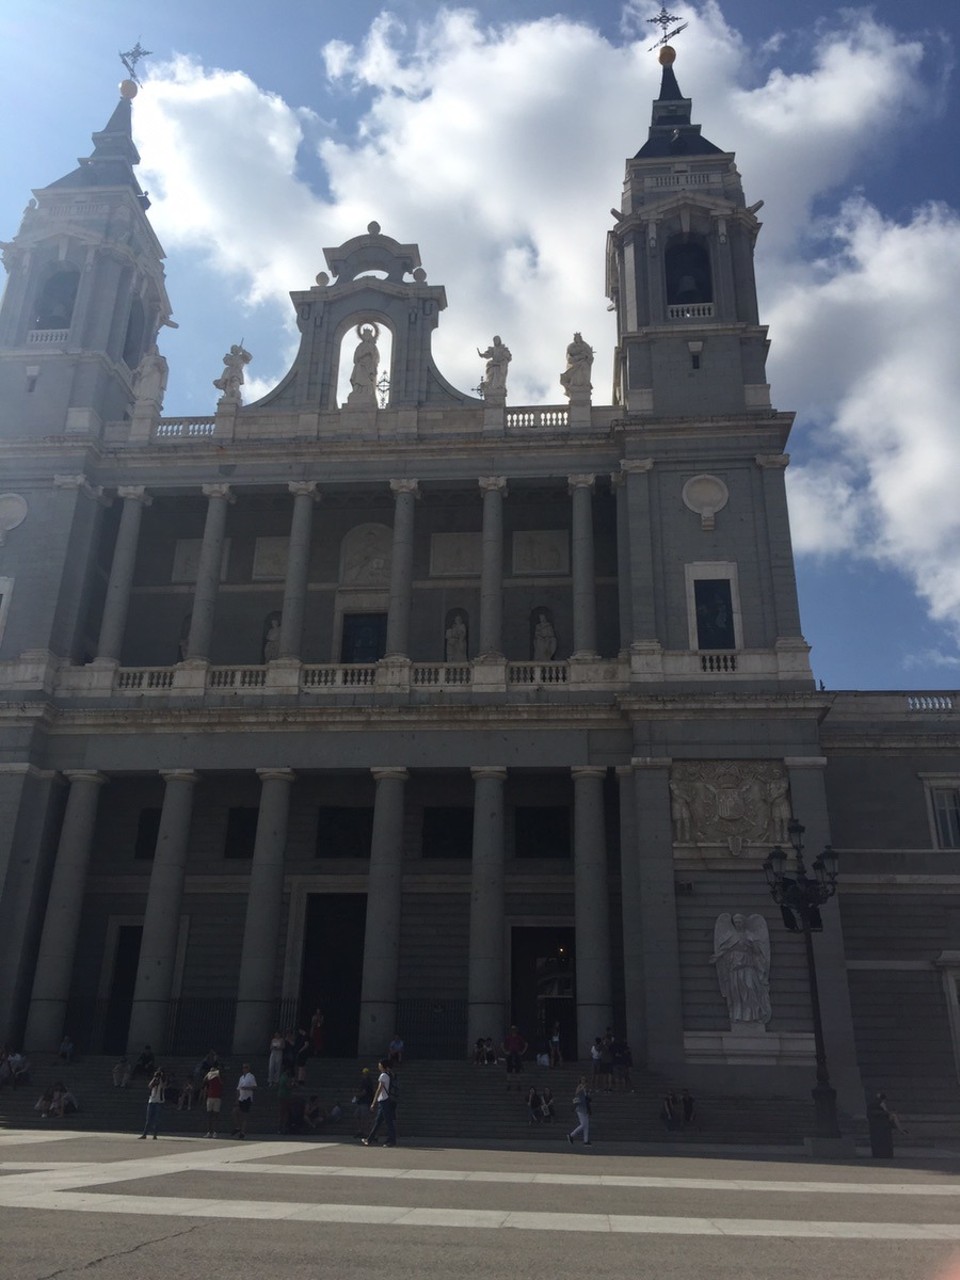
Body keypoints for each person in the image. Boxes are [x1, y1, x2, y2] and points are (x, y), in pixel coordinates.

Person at [711, 913, 771, 1026]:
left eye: (740, 922)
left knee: (750, 988)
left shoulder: (750, 935)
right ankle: (738, 1016)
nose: (738, 924)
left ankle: (755, 1014)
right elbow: (724, 949)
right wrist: (716, 957)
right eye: (736, 922)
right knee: (736, 991)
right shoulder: (730, 936)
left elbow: (758, 952)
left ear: (744, 923)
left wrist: (752, 944)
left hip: (748, 966)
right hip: (734, 968)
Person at [362, 1058, 397, 1147]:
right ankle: (369, 1139)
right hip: (386, 1100)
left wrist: (374, 1102)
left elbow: (379, 1089)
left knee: (388, 1121)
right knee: (378, 1121)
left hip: (384, 1100)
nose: (378, 1066)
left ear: (383, 1066)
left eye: (380, 1065)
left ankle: (391, 1140)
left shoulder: (383, 1075)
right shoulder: (390, 1074)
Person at [867, 1092, 907, 1158]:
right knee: (894, 1116)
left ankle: (901, 1130)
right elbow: (884, 1112)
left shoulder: (875, 1103)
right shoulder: (879, 1104)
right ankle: (901, 1130)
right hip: (881, 1122)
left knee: (894, 1116)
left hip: (881, 1122)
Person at [347, 324, 379, 405]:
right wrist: (363, 355)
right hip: (360, 366)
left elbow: (376, 357)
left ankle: (368, 391)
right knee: (358, 379)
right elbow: (356, 358)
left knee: (368, 381)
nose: (366, 336)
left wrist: (371, 357)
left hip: (369, 366)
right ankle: (357, 390)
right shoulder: (360, 346)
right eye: (365, 335)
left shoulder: (373, 346)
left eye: (368, 335)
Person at [559, 331, 593, 399]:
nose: (578, 339)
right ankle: (574, 385)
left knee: (584, 366)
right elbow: (569, 358)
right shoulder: (571, 346)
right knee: (575, 374)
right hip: (574, 364)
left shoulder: (585, 346)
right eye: (576, 337)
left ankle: (584, 385)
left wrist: (587, 356)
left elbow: (590, 356)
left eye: (579, 337)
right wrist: (579, 357)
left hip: (584, 363)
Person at [139, 1068, 166, 1140]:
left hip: (159, 1102)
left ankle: (155, 1135)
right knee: (148, 1119)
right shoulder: (154, 1080)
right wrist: (154, 1079)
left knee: (157, 1119)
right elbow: (150, 1086)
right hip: (152, 1101)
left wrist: (161, 1079)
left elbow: (163, 1087)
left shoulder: (163, 1081)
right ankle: (144, 1134)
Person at [232, 1063, 257, 1139]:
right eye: (243, 1067)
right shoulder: (241, 1077)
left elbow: (254, 1087)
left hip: (247, 1098)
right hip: (241, 1098)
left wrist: (247, 1088)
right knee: (235, 1112)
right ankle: (238, 1127)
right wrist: (237, 1099)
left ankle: (242, 1132)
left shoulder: (251, 1076)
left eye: (246, 1067)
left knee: (244, 1116)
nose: (244, 1069)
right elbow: (238, 1089)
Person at [567, 1075, 592, 1146]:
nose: (583, 1081)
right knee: (583, 1124)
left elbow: (587, 1097)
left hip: (585, 1107)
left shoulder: (586, 1088)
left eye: (584, 1080)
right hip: (580, 1107)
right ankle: (571, 1135)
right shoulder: (580, 1086)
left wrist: (588, 1093)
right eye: (582, 1079)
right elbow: (576, 1093)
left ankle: (586, 1140)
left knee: (586, 1125)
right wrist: (582, 1088)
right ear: (580, 1080)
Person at [502, 1026, 528, 1090]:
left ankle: (518, 1085)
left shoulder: (519, 1037)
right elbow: (502, 1044)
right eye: (512, 1029)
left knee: (517, 1070)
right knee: (509, 1070)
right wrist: (505, 1051)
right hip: (510, 1054)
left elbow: (526, 1044)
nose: (513, 1031)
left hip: (517, 1054)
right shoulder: (508, 1037)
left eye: (514, 1029)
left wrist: (522, 1052)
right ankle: (509, 1084)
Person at [201, 1065, 223, 1138]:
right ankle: (209, 1131)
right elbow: (204, 1081)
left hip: (217, 1097)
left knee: (216, 1115)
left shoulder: (219, 1076)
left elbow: (222, 1082)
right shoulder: (209, 1077)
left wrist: (217, 1073)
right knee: (209, 1115)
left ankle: (215, 1131)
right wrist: (208, 1073)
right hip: (210, 1097)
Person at [353, 1067, 374, 1138]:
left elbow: (364, 1092)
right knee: (357, 1115)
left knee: (365, 1118)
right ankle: (361, 1130)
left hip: (365, 1102)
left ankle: (367, 1132)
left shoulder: (366, 1082)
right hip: (362, 1102)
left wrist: (357, 1095)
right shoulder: (367, 1081)